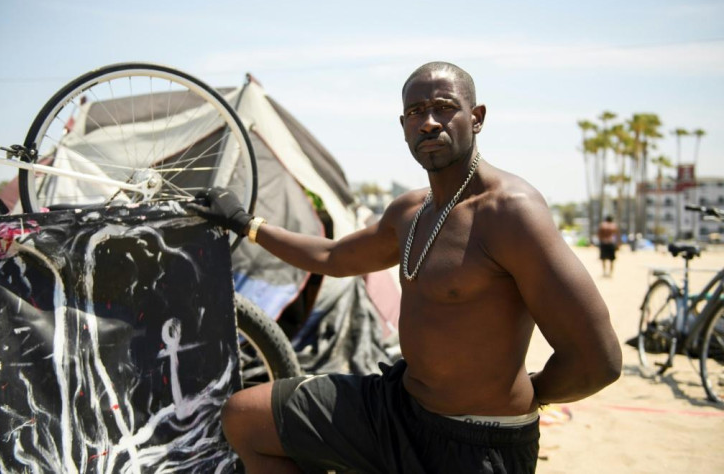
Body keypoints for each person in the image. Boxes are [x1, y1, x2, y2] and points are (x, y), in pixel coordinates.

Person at [194, 62, 622, 473]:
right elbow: (332, 257)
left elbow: (598, 361)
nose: (429, 122)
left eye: (444, 107)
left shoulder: (510, 212)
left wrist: (525, 395)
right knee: (245, 416)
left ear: (476, 118)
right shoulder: (411, 211)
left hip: (477, 442)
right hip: (399, 410)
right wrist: (247, 224)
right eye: (416, 112)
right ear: (403, 128)